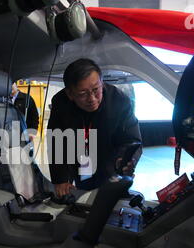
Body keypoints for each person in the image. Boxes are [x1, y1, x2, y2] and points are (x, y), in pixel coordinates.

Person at [47, 58, 142, 198]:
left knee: (109, 197)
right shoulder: (61, 103)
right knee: (84, 198)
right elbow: (57, 142)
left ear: (102, 82)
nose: (92, 98)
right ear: (70, 94)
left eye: (96, 89)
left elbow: (132, 139)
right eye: (83, 93)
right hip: (81, 159)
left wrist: (126, 160)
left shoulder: (119, 101)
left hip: (110, 158)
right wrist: (60, 179)